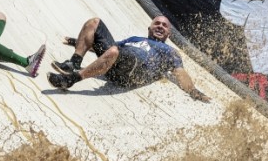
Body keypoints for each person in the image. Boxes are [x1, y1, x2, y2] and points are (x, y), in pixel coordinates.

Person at [47, 16, 211, 102]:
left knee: (114, 51)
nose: (160, 26)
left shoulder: (170, 51)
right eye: (157, 23)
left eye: (164, 25)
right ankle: (73, 63)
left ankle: (70, 79)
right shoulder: (134, 38)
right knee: (94, 22)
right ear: (150, 28)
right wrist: (77, 42)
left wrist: (194, 91)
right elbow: (108, 48)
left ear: (168, 34)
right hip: (115, 60)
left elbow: (180, 72)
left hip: (134, 73)